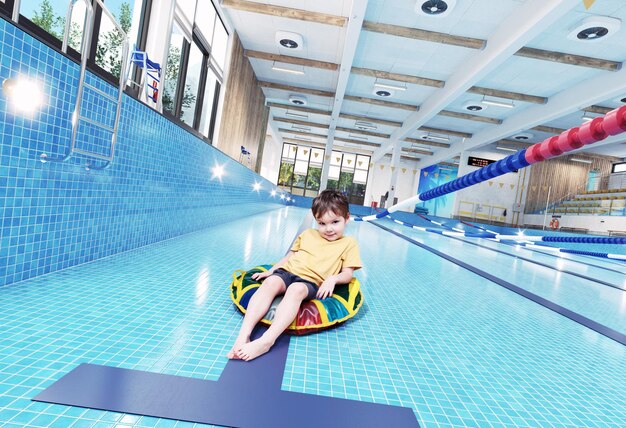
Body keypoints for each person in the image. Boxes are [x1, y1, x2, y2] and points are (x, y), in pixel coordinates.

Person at [227, 189, 362, 361]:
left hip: (309, 282)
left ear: (347, 218)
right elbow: (289, 256)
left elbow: (348, 274)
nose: (328, 229)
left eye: (335, 222)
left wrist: (332, 279)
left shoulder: (348, 243)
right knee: (270, 283)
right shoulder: (307, 234)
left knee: (295, 289)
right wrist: (270, 271)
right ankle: (243, 335)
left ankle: (266, 341)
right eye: (321, 223)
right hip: (287, 272)